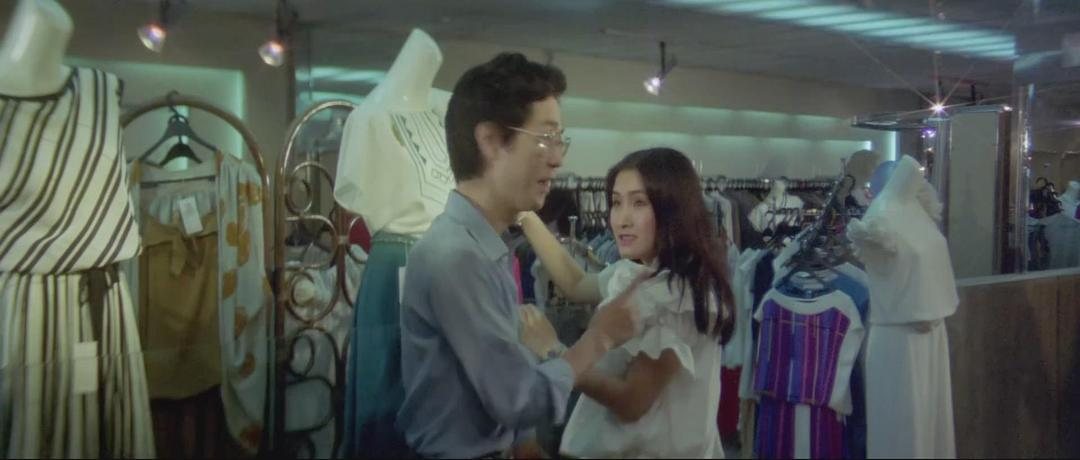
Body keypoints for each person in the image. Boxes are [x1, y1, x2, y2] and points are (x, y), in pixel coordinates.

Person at [397, 53, 644, 459]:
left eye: (559, 140)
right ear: (491, 141)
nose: (558, 158)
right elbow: (517, 398)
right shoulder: (457, 258)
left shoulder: (485, 248)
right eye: (545, 138)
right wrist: (598, 339)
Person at [517, 147, 736, 458]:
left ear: (672, 209)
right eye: (616, 203)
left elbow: (632, 402)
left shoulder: (677, 295)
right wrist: (524, 215)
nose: (622, 219)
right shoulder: (636, 272)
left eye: (639, 203)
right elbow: (577, 284)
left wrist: (554, 351)